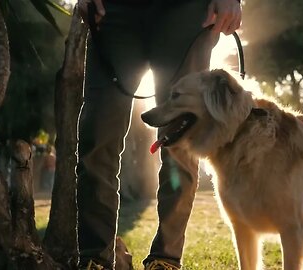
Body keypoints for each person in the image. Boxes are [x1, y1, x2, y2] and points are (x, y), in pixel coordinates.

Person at [76, 0, 242, 269]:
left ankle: (165, 259)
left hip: (186, 12)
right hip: (113, 11)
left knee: (182, 141)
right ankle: (96, 257)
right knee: (97, 135)